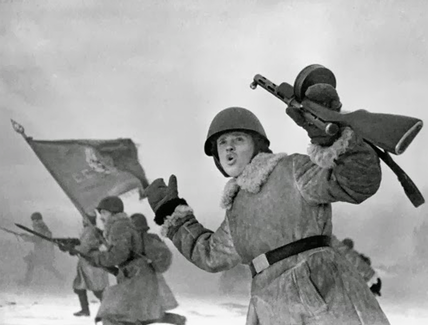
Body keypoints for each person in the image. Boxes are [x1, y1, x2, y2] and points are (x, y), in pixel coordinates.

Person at [145, 80, 390, 324]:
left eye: (238, 139)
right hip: (271, 306)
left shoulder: (291, 170)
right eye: (222, 143)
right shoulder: (235, 208)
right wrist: (175, 217)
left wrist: (333, 137)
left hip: (322, 298)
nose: (229, 147)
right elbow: (211, 256)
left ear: (257, 145)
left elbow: (356, 183)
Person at [87, 196, 180, 325]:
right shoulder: (121, 225)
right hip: (137, 275)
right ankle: (175, 320)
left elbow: (119, 255)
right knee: (135, 316)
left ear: (113, 212)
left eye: (103, 213)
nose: (101, 217)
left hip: (136, 276)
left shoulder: (119, 227)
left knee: (115, 315)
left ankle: (174, 319)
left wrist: (98, 257)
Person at [130, 213, 187, 325]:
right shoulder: (136, 241)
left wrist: (151, 263)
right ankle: (175, 319)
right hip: (138, 281)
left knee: (142, 314)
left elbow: (164, 255)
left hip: (146, 282)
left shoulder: (148, 241)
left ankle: (175, 319)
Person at [71, 214, 110, 317]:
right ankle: (85, 310)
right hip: (89, 262)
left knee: (97, 290)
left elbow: (85, 247)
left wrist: (72, 248)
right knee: (80, 287)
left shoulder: (89, 231)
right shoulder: (94, 230)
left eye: (84, 219)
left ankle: (108, 310)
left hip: (91, 262)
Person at [19, 212, 63, 285]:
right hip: (47, 252)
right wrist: (27, 236)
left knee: (31, 263)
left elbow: (37, 239)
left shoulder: (38, 226)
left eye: (33, 220)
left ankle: (26, 282)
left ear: (36, 220)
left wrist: (26, 238)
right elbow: (39, 238)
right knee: (48, 267)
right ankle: (61, 278)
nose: (32, 222)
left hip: (42, 253)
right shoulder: (43, 227)